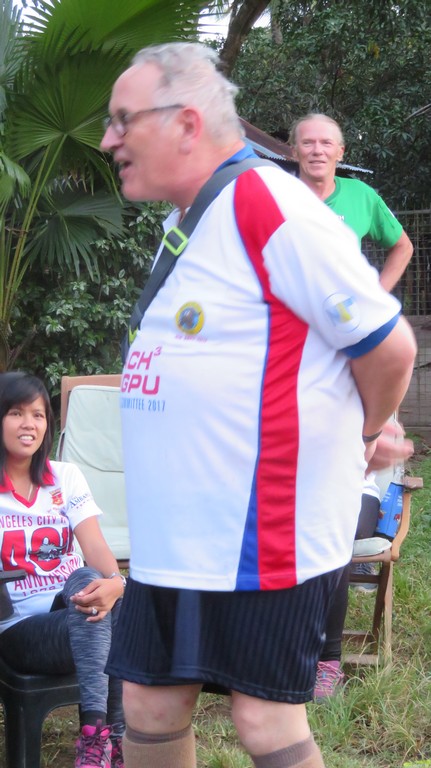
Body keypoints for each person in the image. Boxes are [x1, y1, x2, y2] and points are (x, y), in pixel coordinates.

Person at [100, 42, 416, 768]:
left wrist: (364, 432)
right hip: (176, 529)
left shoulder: (270, 206)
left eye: (122, 120)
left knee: (264, 718)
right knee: (148, 703)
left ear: (185, 122)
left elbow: (389, 346)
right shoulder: (190, 220)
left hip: (258, 531)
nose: (109, 139)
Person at [289, 112, 414, 698]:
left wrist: (373, 296)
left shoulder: (368, 348)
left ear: (340, 152)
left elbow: (402, 245)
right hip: (294, 470)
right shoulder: (277, 196)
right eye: (307, 142)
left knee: (331, 529)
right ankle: (278, 651)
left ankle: (327, 660)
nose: (317, 151)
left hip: (347, 482)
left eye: (327, 143)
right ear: (294, 149)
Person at [0, 372, 126, 768]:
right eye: (16, 413)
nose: (29, 424)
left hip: (75, 606)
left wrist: (116, 585)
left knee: (95, 586)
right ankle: (114, 739)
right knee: (99, 609)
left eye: (38, 415)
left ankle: (96, 737)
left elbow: (96, 550)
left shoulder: (65, 476)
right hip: (21, 628)